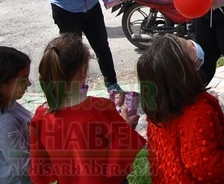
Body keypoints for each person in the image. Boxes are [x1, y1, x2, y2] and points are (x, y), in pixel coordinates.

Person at [29, 33, 146, 184]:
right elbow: (119, 160)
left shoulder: (40, 117)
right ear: (83, 71)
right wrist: (127, 126)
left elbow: (40, 171)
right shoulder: (101, 109)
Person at [136, 34, 224, 184]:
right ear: (183, 70)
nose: (192, 43)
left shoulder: (158, 108)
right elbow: (208, 167)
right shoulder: (197, 110)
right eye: (189, 44)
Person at [0, 47, 32, 184]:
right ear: (2, 84)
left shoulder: (10, 102)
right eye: (23, 79)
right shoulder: (7, 122)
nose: (29, 83)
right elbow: (24, 166)